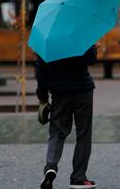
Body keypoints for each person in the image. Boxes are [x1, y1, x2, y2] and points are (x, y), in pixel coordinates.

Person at [36, 45, 98, 189]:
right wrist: (94, 48)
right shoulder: (80, 32)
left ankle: (51, 166)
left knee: (57, 131)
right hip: (83, 90)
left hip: (59, 91)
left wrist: (43, 97)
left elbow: (40, 71)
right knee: (83, 133)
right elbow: (91, 59)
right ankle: (78, 178)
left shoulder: (46, 39)